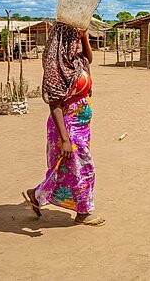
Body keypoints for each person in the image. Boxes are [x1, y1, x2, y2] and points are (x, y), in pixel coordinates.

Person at [22, 22, 105, 227]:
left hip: (81, 125)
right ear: (64, 40)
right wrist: (64, 139)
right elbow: (54, 104)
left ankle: (37, 194)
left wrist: (85, 37)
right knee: (83, 167)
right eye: (74, 38)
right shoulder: (55, 66)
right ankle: (83, 212)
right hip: (67, 127)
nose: (77, 41)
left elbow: (89, 59)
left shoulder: (75, 61)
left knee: (66, 168)